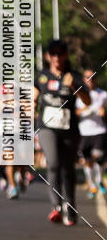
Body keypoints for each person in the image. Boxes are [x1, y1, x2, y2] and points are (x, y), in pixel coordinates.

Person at [34, 39, 90, 225]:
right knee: (53, 163)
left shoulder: (74, 75)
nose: (57, 57)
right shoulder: (42, 76)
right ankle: (56, 206)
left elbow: (88, 100)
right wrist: (30, 106)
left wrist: (74, 86)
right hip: (47, 128)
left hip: (69, 129)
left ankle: (71, 207)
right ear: (48, 56)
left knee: (68, 168)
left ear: (66, 55)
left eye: (61, 54)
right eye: (54, 54)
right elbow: (33, 97)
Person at [0, 86, 28, 199]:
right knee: (8, 162)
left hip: (18, 135)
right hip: (3, 135)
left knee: (22, 161)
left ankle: (22, 178)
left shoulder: (18, 104)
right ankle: (12, 186)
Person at [76, 70, 107, 198]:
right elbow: (76, 112)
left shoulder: (103, 94)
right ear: (84, 79)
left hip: (99, 130)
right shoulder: (79, 93)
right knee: (87, 159)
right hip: (84, 131)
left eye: (93, 78)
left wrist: (103, 112)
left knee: (97, 155)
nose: (91, 80)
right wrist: (87, 109)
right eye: (88, 78)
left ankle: (98, 180)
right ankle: (93, 183)